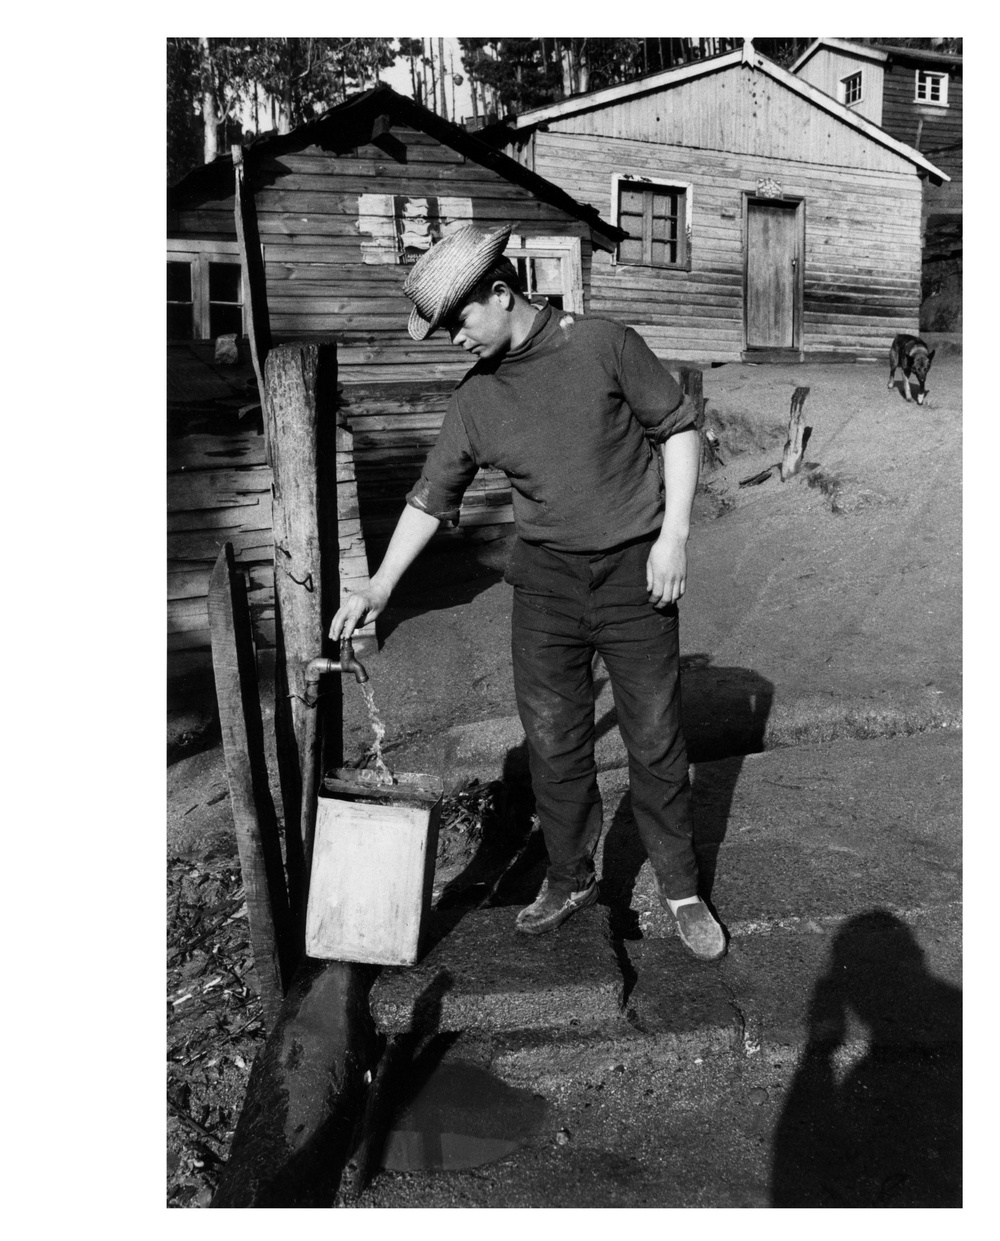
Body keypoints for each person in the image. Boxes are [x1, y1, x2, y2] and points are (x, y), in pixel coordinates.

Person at [329, 222, 725, 960]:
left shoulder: (604, 344)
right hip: (544, 584)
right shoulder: (477, 400)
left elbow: (678, 428)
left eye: (458, 321)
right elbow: (429, 496)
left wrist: (674, 536)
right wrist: (381, 584)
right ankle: (571, 874)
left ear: (501, 293)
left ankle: (679, 884)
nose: (453, 339)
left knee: (656, 735)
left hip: (636, 574)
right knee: (553, 738)